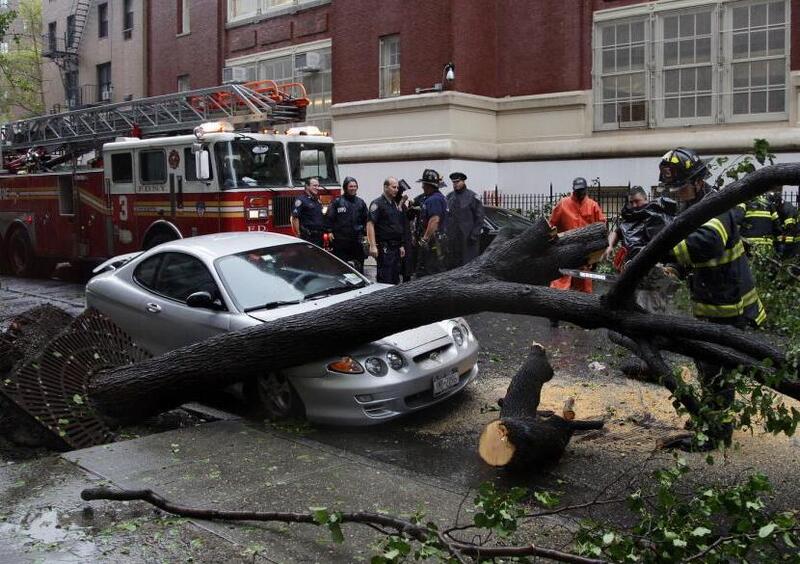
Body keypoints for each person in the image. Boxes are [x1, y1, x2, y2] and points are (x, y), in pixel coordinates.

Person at [659, 147, 766, 450]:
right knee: (706, 367)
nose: (676, 193)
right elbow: (686, 250)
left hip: (729, 305)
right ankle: (709, 418)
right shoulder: (692, 204)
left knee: (718, 372)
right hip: (711, 302)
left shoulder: (718, 205)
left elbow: (706, 243)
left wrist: (663, 247)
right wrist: (673, 269)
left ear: (697, 181)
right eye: (672, 188)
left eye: (680, 187)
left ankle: (716, 435)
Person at [603, 186, 676, 313]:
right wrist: (610, 246)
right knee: (627, 307)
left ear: (646, 199)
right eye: (631, 202)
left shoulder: (657, 217)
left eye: (637, 201)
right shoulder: (630, 219)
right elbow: (616, 232)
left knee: (647, 308)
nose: (635, 205)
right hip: (630, 270)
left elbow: (662, 244)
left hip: (651, 272)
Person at [549, 177, 606, 293]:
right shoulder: (563, 204)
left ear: (586, 190)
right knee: (560, 284)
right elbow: (551, 226)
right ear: (573, 190)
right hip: (564, 252)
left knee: (584, 287)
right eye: (577, 190)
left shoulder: (593, 206)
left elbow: (602, 229)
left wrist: (597, 254)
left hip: (585, 254)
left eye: (582, 190)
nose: (579, 193)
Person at [367, 177, 406, 284]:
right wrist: (372, 245)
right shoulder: (377, 204)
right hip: (385, 247)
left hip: (396, 247)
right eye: (394, 187)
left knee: (395, 277)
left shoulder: (393, 203)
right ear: (385, 187)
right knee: (385, 277)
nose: (396, 190)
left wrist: (401, 245)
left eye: (397, 187)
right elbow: (370, 224)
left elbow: (397, 225)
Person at [325, 176, 368, 273]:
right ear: (345, 187)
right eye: (350, 186)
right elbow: (329, 217)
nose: (353, 188)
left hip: (356, 240)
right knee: (342, 267)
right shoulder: (337, 202)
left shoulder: (361, 203)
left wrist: (365, 235)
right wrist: (329, 231)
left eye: (355, 186)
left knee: (359, 266)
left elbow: (366, 220)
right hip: (341, 241)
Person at [446, 172, 485, 269]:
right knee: (453, 265)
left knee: (468, 265)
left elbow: (480, 217)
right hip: (453, 238)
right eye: (453, 182)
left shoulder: (472, 196)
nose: (455, 184)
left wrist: (474, 234)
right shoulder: (449, 197)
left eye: (457, 182)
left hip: (468, 237)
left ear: (463, 181)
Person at [415, 169, 449, 277]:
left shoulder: (434, 200)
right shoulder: (437, 198)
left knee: (430, 272)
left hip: (433, 243)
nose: (422, 187)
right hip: (437, 242)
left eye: (424, 184)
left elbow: (434, 220)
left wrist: (425, 239)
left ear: (429, 185)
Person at [291, 177, 325, 246]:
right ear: (307, 186)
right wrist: (297, 234)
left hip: (319, 236)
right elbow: (294, 218)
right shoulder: (301, 200)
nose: (317, 188)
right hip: (308, 237)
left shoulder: (317, 200)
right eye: (314, 186)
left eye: (318, 186)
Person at [768, 188, 800, 259]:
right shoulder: (780, 208)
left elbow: (790, 227)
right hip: (783, 240)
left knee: (784, 258)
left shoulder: (787, 209)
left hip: (788, 242)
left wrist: (783, 240)